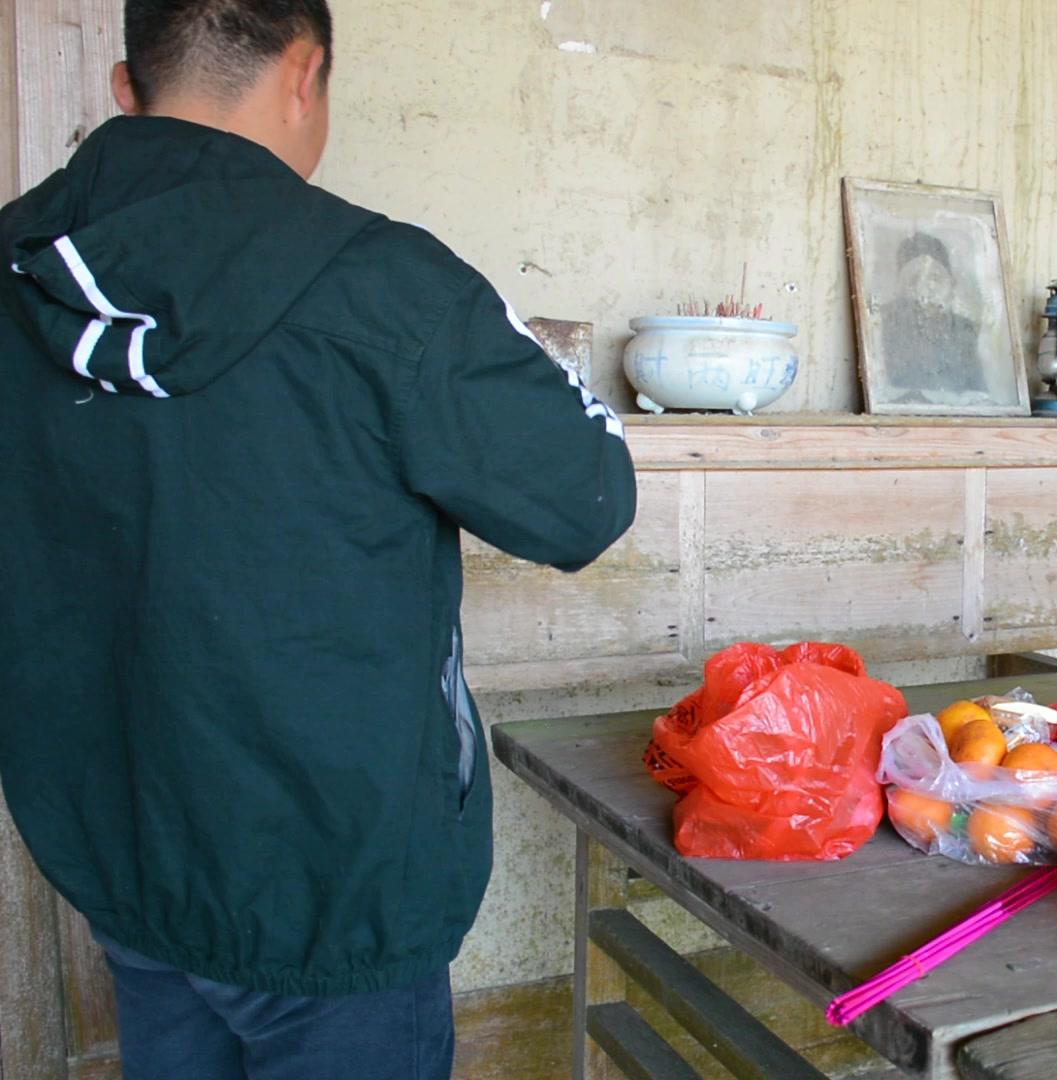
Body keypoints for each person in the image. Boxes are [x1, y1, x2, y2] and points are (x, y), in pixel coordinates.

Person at [0, 2, 636, 1076]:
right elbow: (584, 498)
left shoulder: (20, 270)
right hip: (333, 885)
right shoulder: (386, 285)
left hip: (114, 850)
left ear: (127, 88)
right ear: (305, 70)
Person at [877, 230, 990, 404]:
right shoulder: (882, 324)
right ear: (900, 287)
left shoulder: (965, 330)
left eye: (935, 278)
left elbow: (980, 394)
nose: (925, 289)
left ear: (951, 283)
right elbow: (880, 393)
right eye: (914, 279)